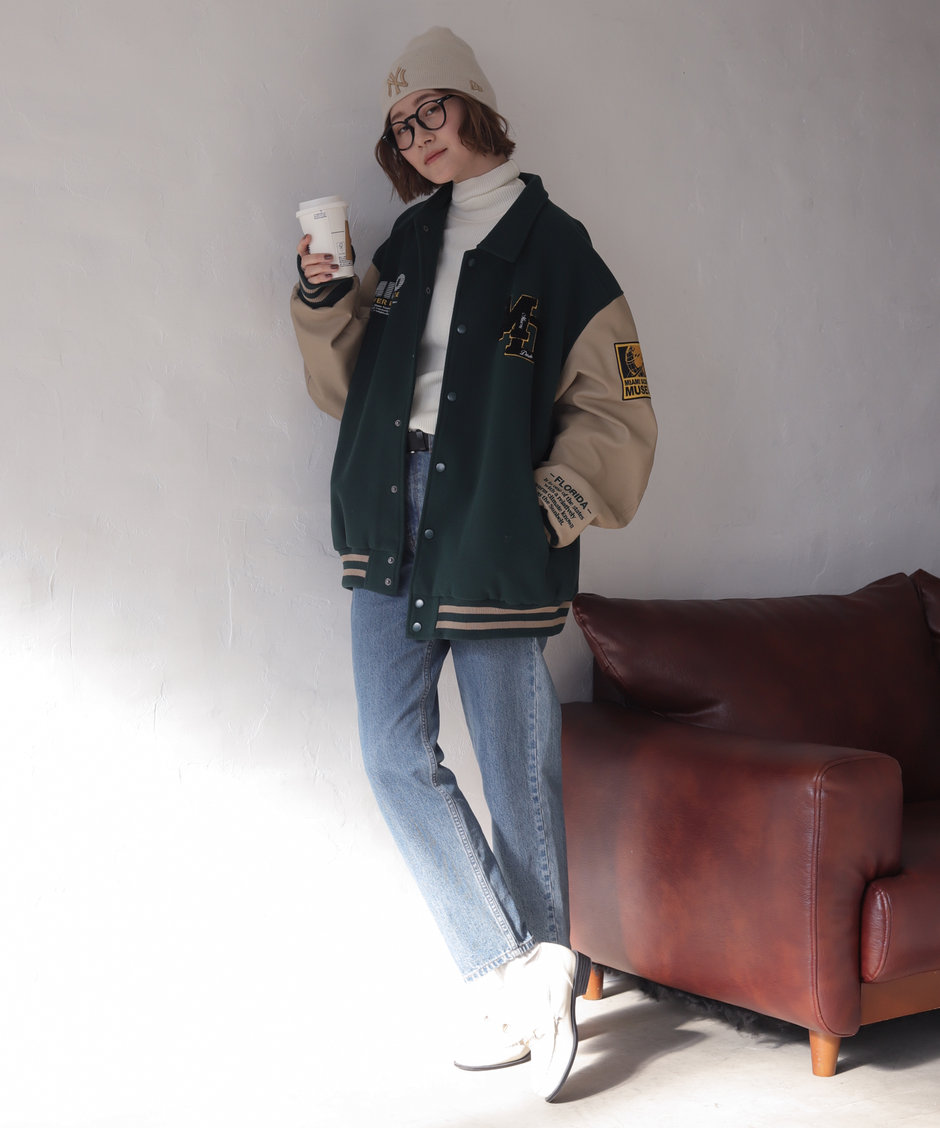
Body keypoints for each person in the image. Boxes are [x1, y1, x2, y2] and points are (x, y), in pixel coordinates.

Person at [290, 27, 657, 1102]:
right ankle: (517, 971)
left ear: (476, 105)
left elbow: (620, 400)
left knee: (514, 766)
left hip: (493, 522)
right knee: (390, 751)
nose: (419, 135)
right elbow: (350, 388)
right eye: (401, 126)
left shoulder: (559, 248)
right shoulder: (406, 244)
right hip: (390, 513)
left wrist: (547, 507)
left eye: (432, 110)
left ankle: (529, 1000)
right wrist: (328, 296)